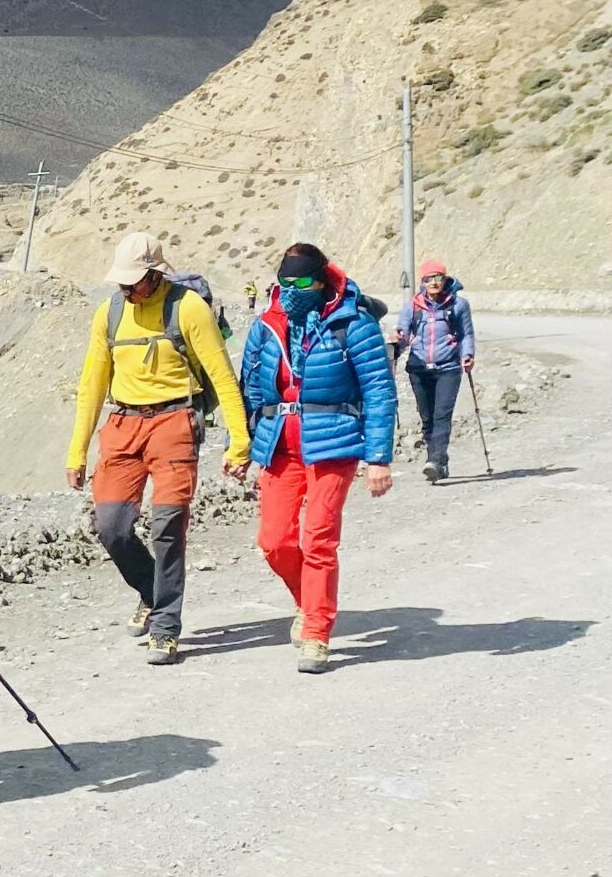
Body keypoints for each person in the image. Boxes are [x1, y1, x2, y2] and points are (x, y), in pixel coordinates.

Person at [63, 231, 251, 665]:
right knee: (111, 526)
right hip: (123, 424)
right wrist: (76, 452)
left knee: (167, 526)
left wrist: (238, 442)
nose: (126, 290)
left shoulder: (188, 308)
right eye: (121, 283)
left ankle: (166, 624)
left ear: (155, 274)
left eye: (133, 282)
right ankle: (150, 591)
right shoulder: (107, 314)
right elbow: (91, 385)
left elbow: (222, 376)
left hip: (174, 424)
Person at [239, 243, 399, 672]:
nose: (292, 290)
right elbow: (250, 385)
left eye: (303, 282)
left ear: (322, 280)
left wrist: (378, 456)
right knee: (273, 542)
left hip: (334, 444)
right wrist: (243, 443)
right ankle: (307, 601)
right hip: (279, 446)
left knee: (320, 539)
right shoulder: (266, 324)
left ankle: (317, 632)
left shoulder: (355, 323)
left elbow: (380, 392)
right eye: (284, 283)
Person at [392, 256, 476, 481]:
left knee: (442, 415)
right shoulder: (413, 306)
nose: (434, 283)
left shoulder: (459, 305)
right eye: (429, 279)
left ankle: (436, 460)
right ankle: (437, 459)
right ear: (423, 282)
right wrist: (396, 345)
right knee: (427, 416)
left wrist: (467, 354)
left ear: (445, 279)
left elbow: (466, 333)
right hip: (419, 367)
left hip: (448, 366)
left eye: (438, 278)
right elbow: (403, 334)